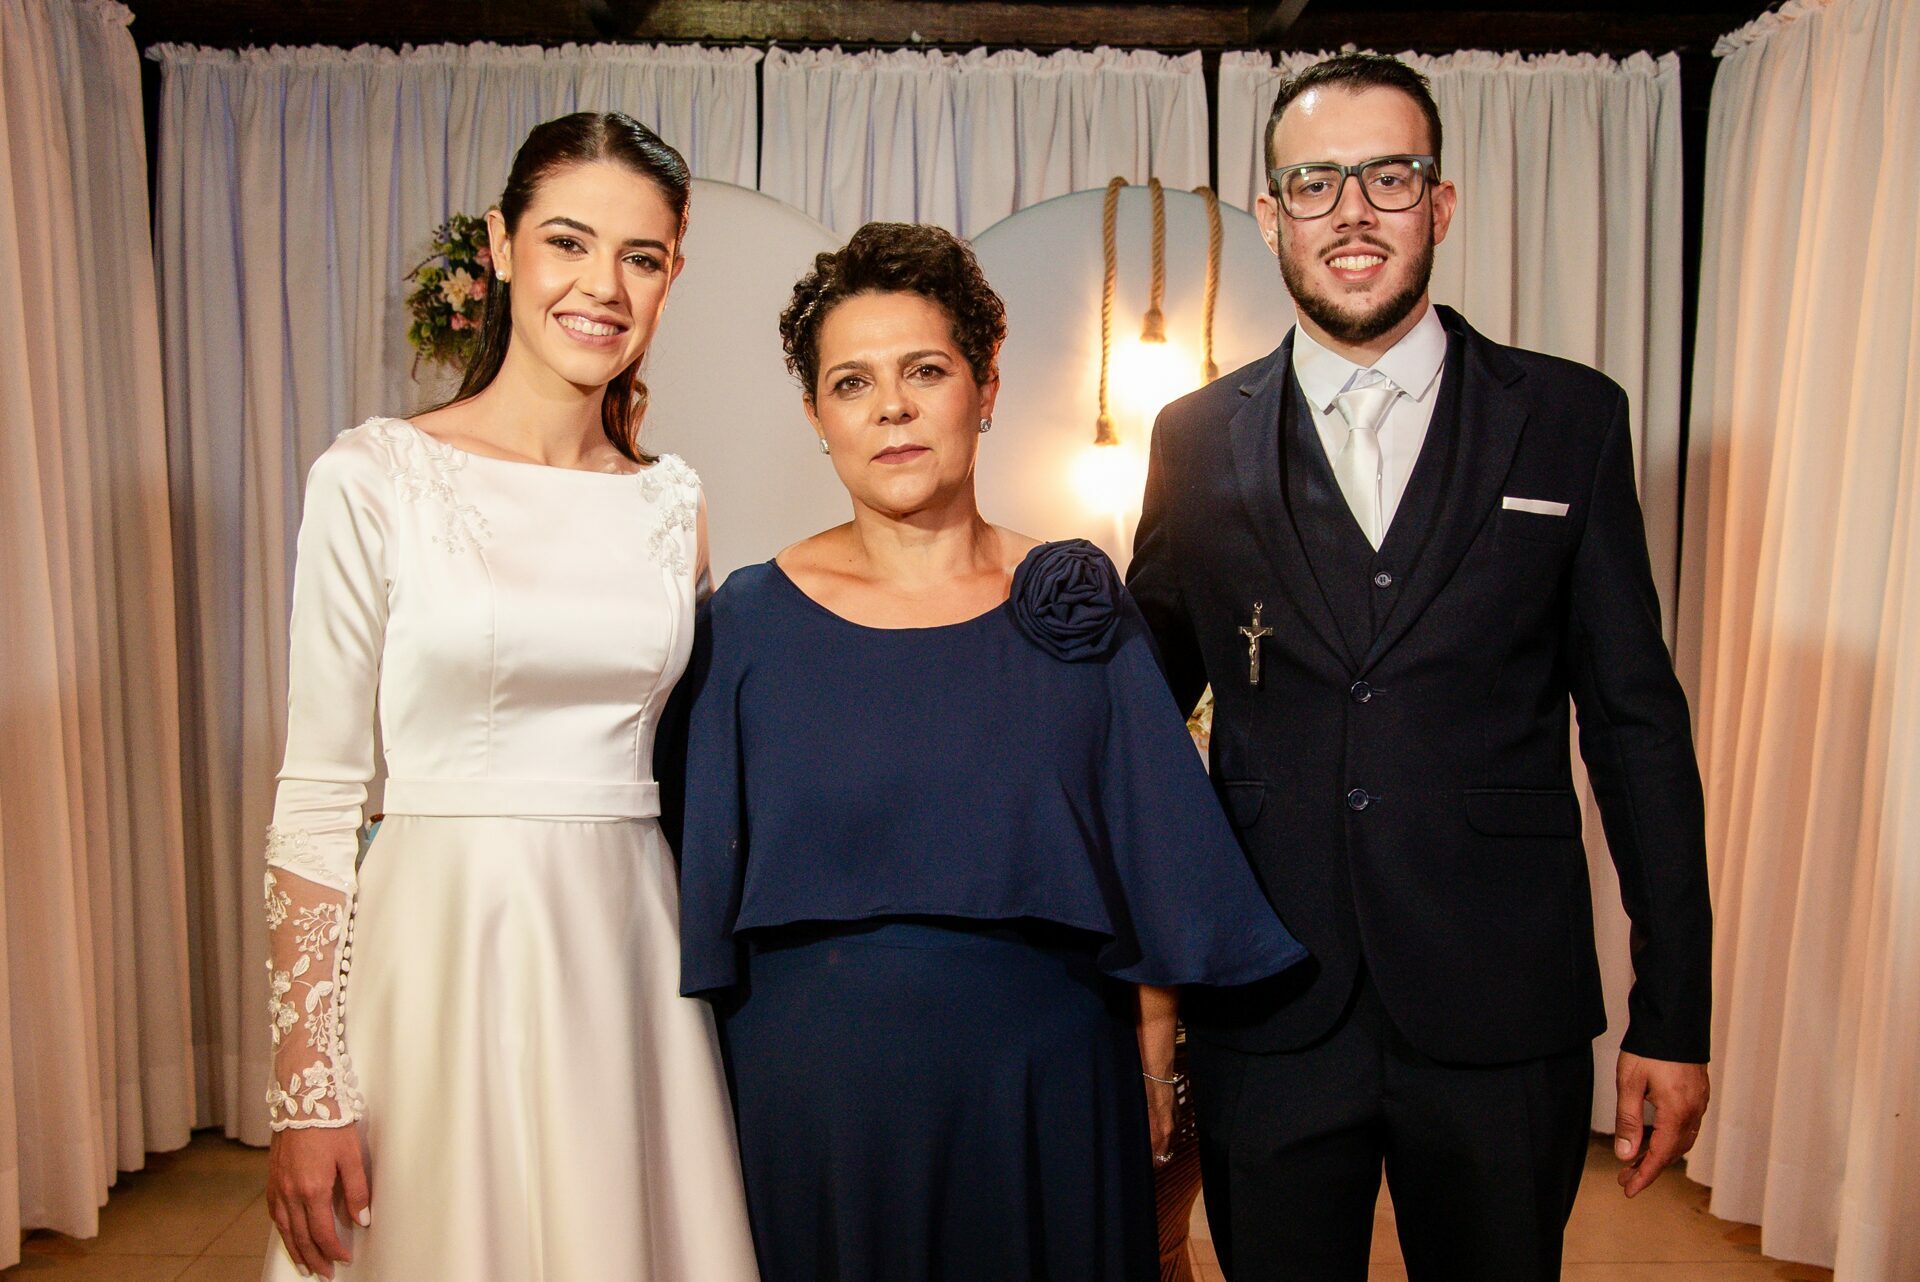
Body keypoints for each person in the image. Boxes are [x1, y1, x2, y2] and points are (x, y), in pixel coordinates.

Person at [1126, 53, 1713, 1281]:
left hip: (1503, 1002)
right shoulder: (1193, 438)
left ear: (1438, 203)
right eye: (1316, 182)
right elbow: (1133, 723)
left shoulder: (1571, 419)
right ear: (1274, 213)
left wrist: (1674, 1013)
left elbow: (1636, 730)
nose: (1352, 211)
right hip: (1270, 1003)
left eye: (1388, 177)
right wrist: (1145, 981)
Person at [670, 222, 1305, 1282]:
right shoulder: (745, 624)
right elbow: (693, 889)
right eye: (852, 383)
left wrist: (1156, 1055)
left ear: (987, 389)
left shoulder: (1075, 604)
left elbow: (1151, 840)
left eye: (925, 370)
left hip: (1045, 1080)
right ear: (817, 417)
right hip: (811, 1097)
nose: (892, 407)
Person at [260, 112, 758, 1281]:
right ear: (500, 245)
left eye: (641, 257)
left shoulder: (673, 505)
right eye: (568, 243)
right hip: (437, 945)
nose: (603, 287)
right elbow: (317, 796)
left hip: (625, 952)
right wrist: (304, 1085)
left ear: (672, 276)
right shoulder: (372, 478)